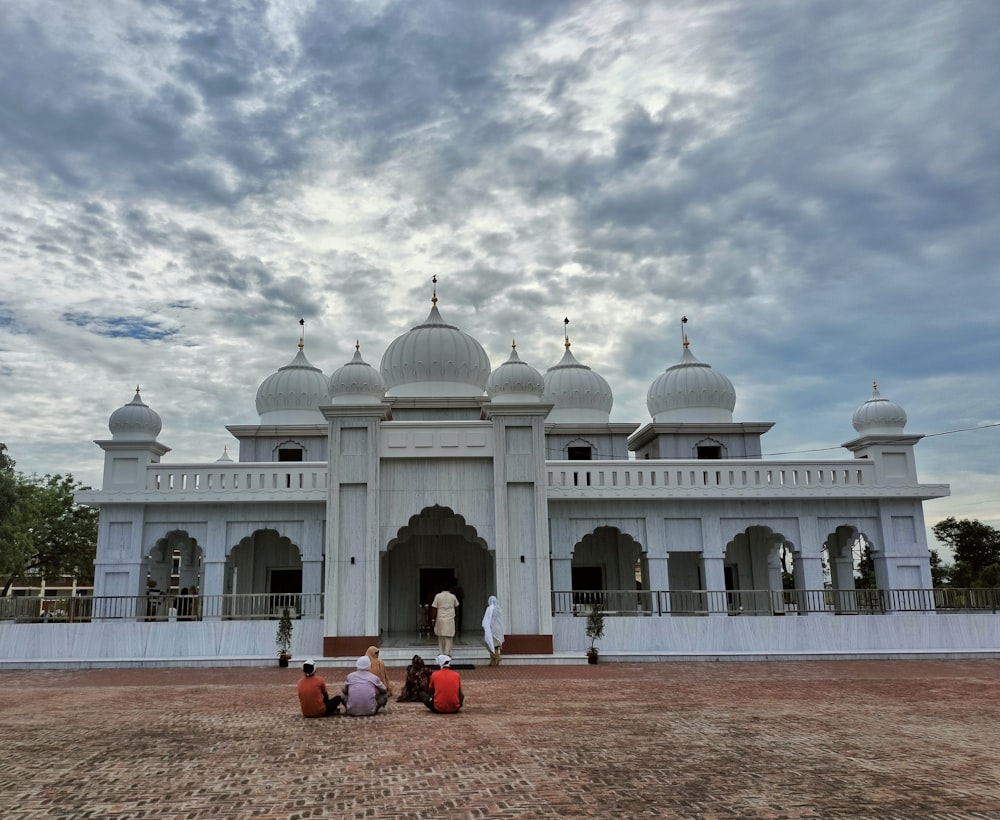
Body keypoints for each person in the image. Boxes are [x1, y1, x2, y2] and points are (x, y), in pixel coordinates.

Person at [431, 584, 460, 656]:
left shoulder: (438, 596)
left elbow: (434, 608)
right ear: (450, 589)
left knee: (441, 636)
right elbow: (457, 607)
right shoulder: (453, 596)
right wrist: (457, 618)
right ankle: (447, 653)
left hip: (440, 618)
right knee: (449, 636)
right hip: (450, 618)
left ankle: (441, 653)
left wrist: (433, 619)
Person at [482, 594, 504, 666]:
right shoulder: (498, 608)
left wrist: (486, 626)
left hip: (492, 629)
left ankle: (496, 657)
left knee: (489, 645)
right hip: (498, 629)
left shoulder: (490, 608)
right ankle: (493, 662)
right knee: (496, 646)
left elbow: (487, 619)